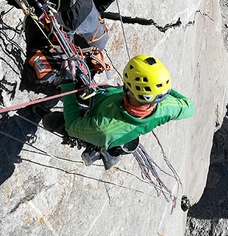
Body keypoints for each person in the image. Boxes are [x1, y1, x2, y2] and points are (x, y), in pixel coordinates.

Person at [36, 54, 195, 169]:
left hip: (101, 124)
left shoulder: (104, 129)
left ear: (131, 91)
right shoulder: (167, 106)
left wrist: (68, 85)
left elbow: (72, 126)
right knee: (85, 92)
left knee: (53, 121)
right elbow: (189, 107)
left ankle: (41, 112)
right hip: (106, 100)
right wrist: (160, 89)